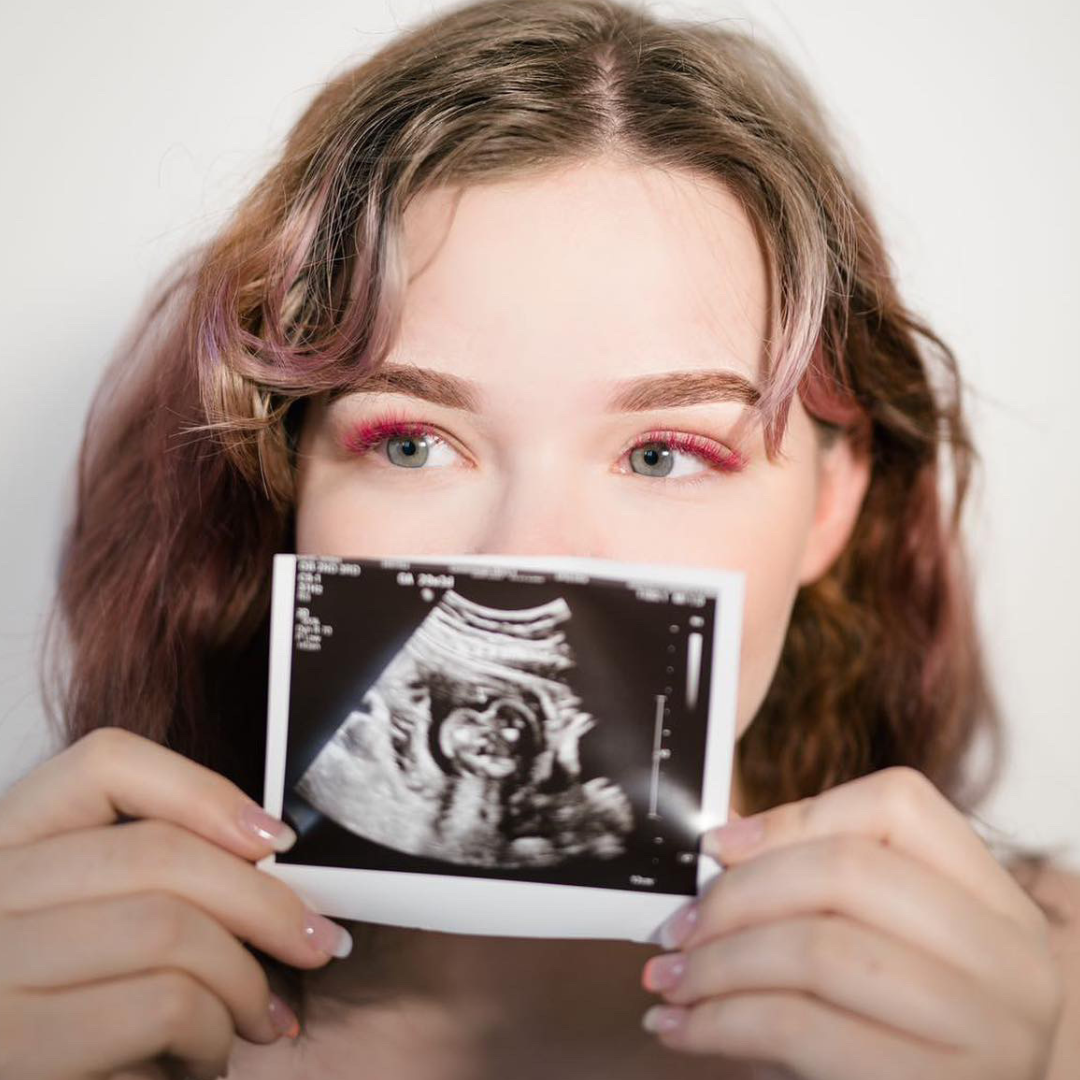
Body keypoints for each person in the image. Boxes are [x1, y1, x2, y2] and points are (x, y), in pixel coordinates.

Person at [0, 0, 1075, 1076]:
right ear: (290, 484)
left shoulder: (1043, 1004)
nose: (528, 563)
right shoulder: (71, 1001)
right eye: (414, 443)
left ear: (832, 506)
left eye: (663, 455)